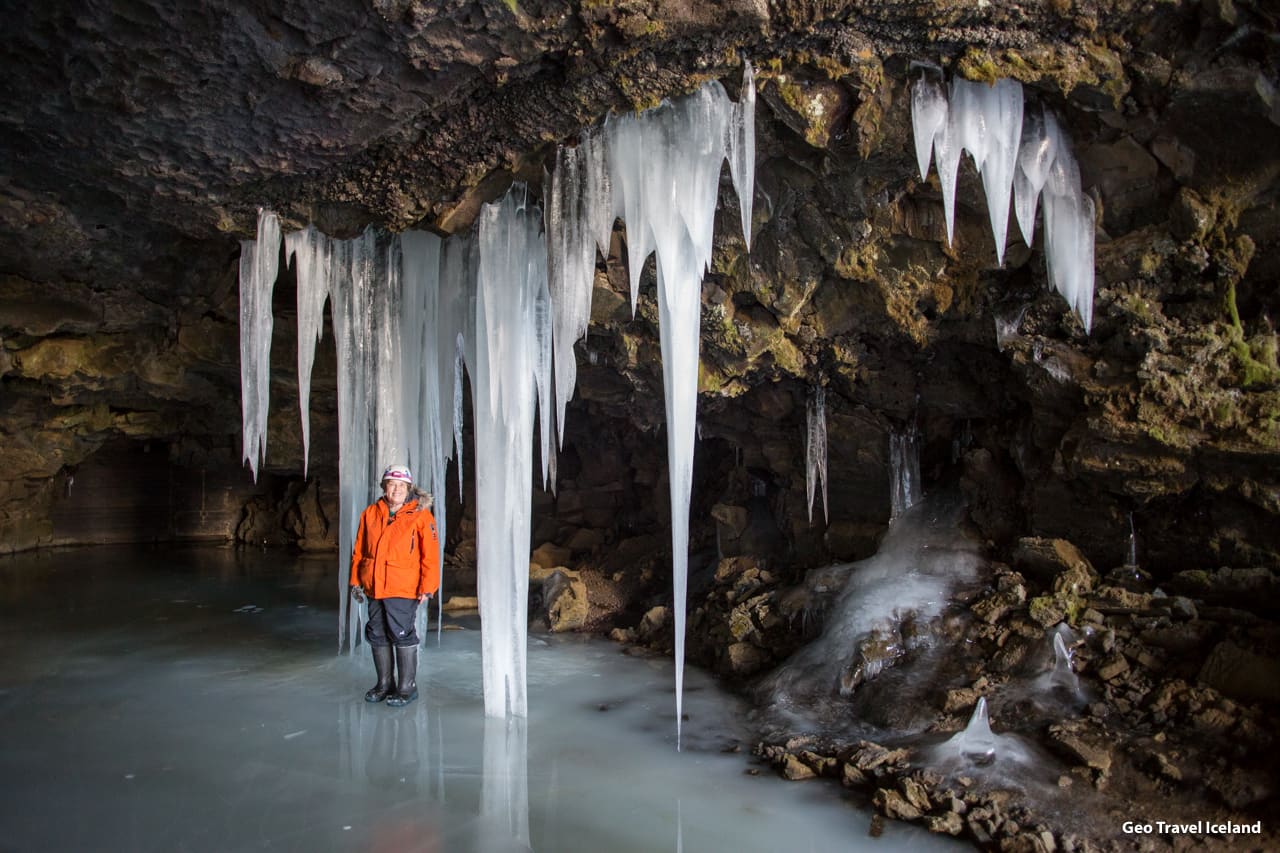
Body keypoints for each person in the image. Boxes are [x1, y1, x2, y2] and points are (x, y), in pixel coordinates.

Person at [349, 464, 440, 707]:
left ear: (409, 488)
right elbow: (359, 550)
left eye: (401, 485)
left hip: (402, 586)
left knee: (401, 632)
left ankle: (406, 687)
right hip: (373, 585)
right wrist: (356, 580)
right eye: (392, 484)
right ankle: (384, 684)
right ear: (384, 486)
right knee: (377, 633)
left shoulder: (421, 516)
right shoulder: (370, 513)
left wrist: (427, 587)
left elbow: (429, 555)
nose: (396, 489)